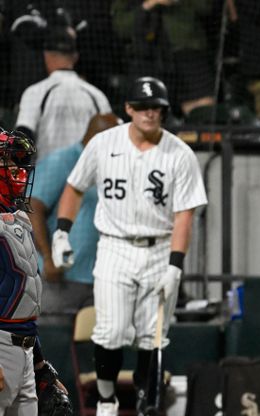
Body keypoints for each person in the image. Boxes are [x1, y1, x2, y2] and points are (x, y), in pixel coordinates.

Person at [51, 76, 208, 416]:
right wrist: (61, 232)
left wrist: (175, 264)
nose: (150, 113)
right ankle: (106, 401)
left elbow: (185, 213)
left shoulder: (179, 154)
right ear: (129, 109)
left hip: (158, 249)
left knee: (152, 339)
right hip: (115, 247)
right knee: (110, 331)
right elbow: (74, 186)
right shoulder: (104, 144)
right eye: (143, 107)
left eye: (157, 108)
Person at [29, 114, 122, 321]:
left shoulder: (113, 166)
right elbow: (32, 207)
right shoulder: (63, 160)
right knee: (51, 345)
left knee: (94, 349)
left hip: (102, 279)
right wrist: (48, 257)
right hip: (61, 279)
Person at [0, 129, 43, 416]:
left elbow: (29, 293)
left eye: (19, 162)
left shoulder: (21, 218)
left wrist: (40, 360)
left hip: (23, 346)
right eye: (9, 162)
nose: (19, 172)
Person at [15, 26, 112, 160]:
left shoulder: (35, 92)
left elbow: (23, 138)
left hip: (46, 177)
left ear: (46, 55)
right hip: (86, 177)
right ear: (75, 57)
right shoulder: (97, 95)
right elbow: (111, 138)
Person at [111, 0, 216, 116]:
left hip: (187, 53)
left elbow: (206, 7)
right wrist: (148, 5)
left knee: (201, 114)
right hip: (145, 60)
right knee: (148, 115)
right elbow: (121, 27)